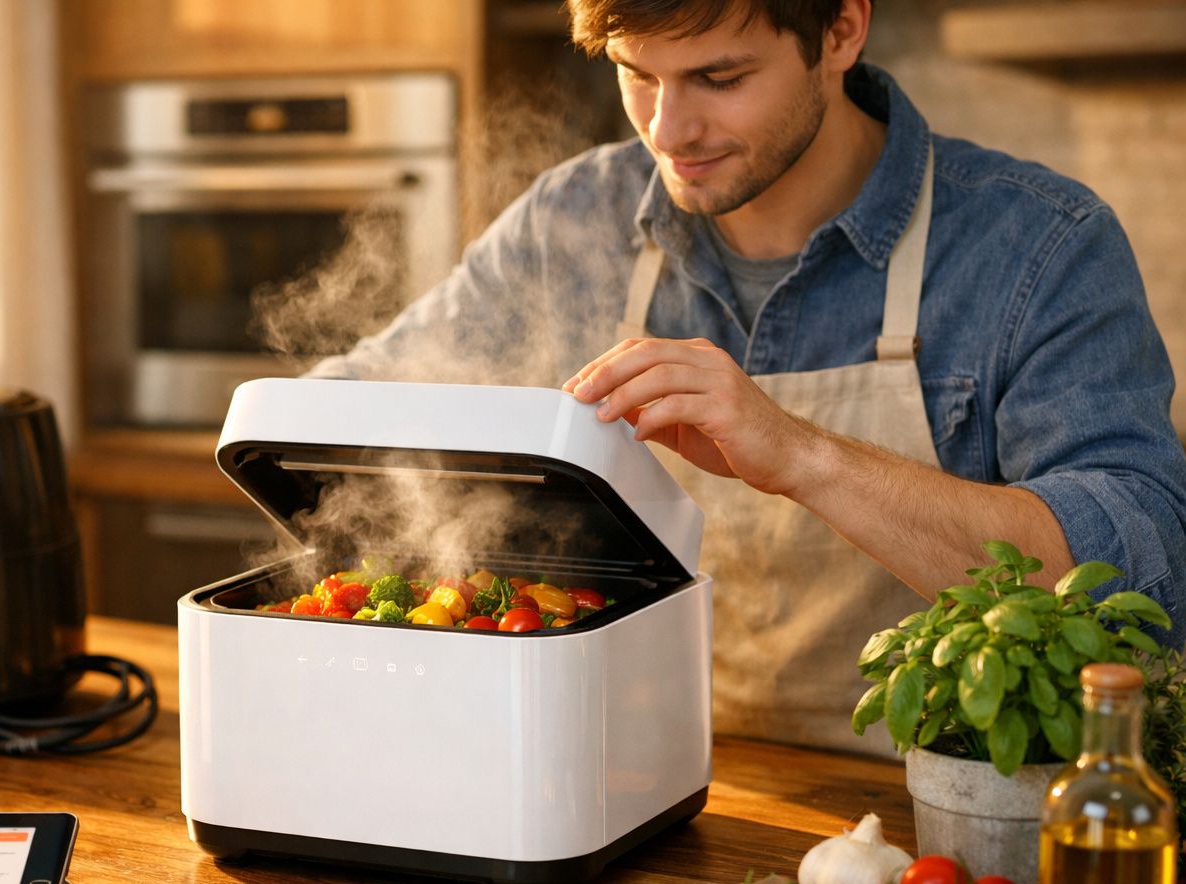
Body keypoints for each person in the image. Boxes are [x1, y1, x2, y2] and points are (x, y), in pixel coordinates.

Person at [305, 0, 1186, 753]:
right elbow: (343, 409)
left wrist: (803, 455)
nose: (666, 130)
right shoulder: (572, 221)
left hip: (935, 807)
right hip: (632, 782)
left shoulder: (1038, 244)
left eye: (719, 80)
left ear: (842, 29)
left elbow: (1144, 580)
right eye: (636, 73)